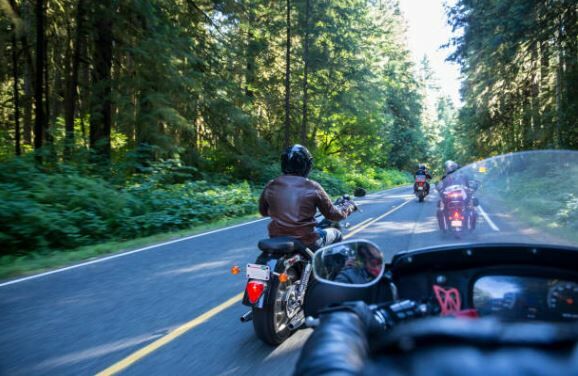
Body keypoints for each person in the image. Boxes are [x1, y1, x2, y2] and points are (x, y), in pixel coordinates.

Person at [259, 144, 355, 250]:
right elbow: (333, 215)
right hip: (306, 240)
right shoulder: (312, 187)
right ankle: (327, 266)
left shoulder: (271, 185)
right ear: (307, 165)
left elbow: (263, 212)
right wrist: (348, 207)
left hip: (276, 237)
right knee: (337, 234)